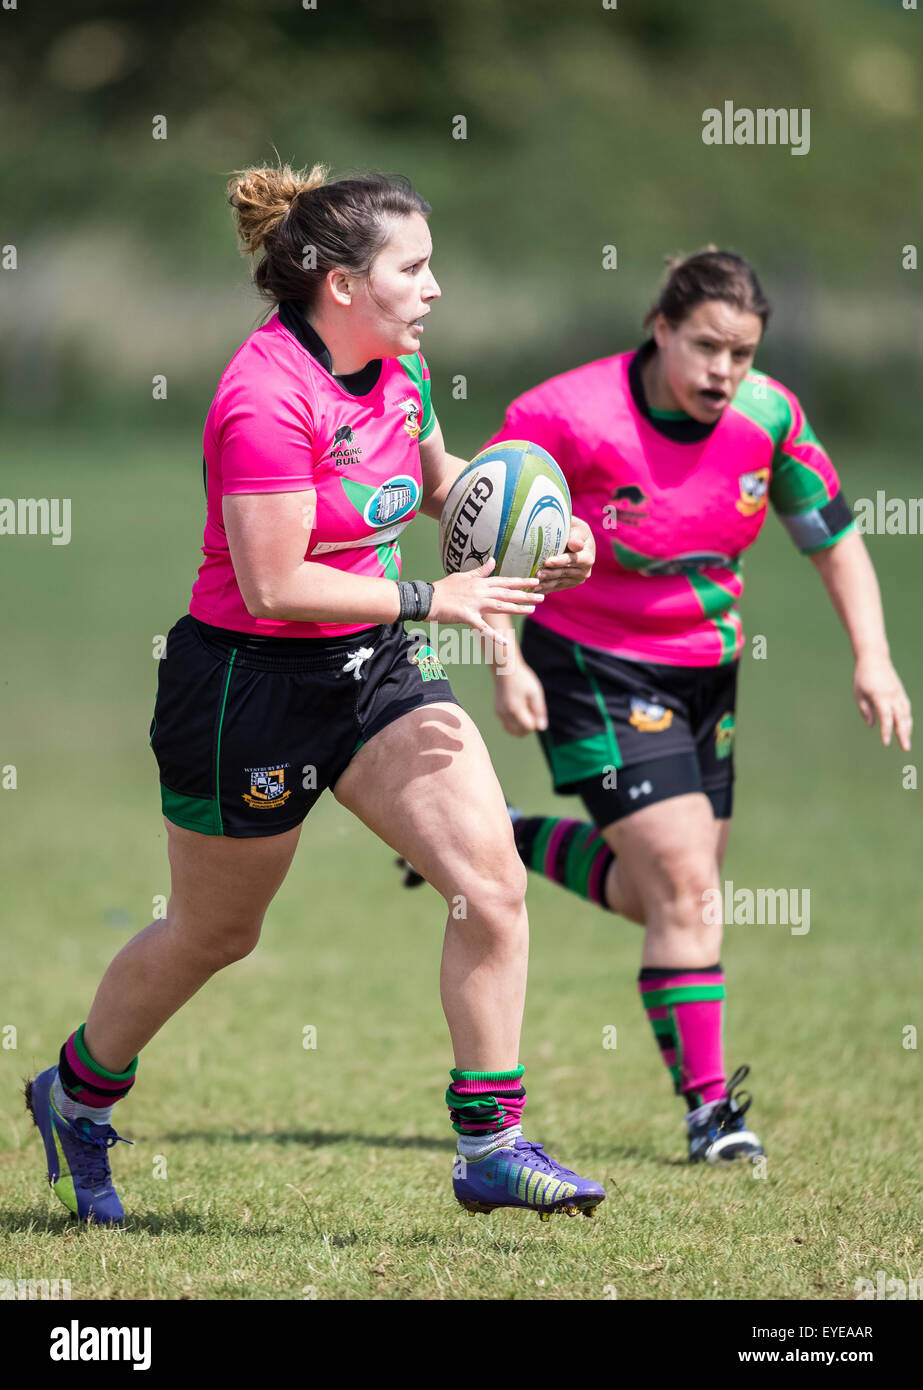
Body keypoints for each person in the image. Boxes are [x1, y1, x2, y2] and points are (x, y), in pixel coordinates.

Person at [24, 161, 605, 1225]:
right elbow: (274, 584)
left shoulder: (401, 368)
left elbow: (440, 488)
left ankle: (490, 1145)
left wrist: (541, 531)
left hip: (372, 667)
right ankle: (75, 1094)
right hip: (244, 688)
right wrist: (433, 597)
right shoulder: (264, 395)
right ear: (341, 284)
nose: (434, 288)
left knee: (490, 886)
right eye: (413, 269)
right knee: (214, 935)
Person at [472, 249, 912, 1163]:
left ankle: (504, 836)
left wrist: (872, 657)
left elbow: (832, 539)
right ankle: (711, 1113)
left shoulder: (769, 418)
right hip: (590, 664)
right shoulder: (564, 416)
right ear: (659, 327)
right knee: (685, 887)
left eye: (741, 353)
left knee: (664, 895)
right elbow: (485, 537)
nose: (723, 370)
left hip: (707, 669)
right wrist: (504, 660)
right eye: (705, 346)